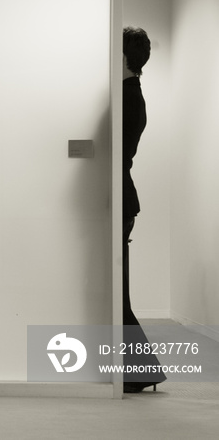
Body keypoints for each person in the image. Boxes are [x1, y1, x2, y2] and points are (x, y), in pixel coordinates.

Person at [122, 26, 167, 393]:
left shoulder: (128, 96)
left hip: (120, 199)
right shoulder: (131, 93)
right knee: (114, 290)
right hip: (122, 198)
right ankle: (139, 371)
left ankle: (140, 371)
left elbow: (116, 156)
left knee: (115, 292)